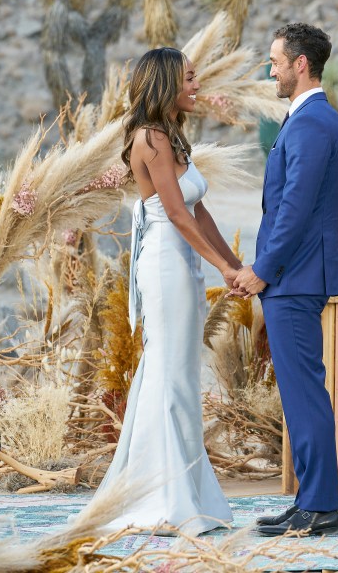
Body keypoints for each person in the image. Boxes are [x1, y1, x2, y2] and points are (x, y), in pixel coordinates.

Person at [81, 47, 240, 536]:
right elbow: (174, 213)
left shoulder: (175, 136)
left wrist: (233, 266)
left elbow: (200, 210)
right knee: (168, 376)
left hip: (185, 260)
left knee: (178, 375)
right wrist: (222, 270)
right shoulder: (150, 139)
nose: (197, 87)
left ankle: (184, 491)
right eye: (190, 78)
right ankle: (159, 497)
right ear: (167, 83)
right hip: (166, 263)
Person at [233, 23, 338, 536]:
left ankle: (320, 505)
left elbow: (294, 211)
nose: (271, 69)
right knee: (303, 393)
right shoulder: (316, 120)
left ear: (301, 63)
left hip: (293, 277)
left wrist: (262, 270)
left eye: (276, 60)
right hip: (298, 274)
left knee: (304, 395)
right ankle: (310, 498)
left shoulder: (310, 125)